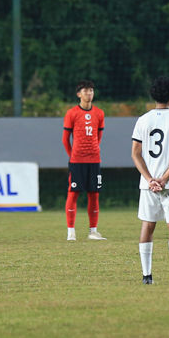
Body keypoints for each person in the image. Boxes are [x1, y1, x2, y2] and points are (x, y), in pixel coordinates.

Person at [131, 77, 169, 285]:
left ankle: (147, 276)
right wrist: (164, 179)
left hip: (148, 185)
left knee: (148, 225)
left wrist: (150, 179)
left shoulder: (142, 120)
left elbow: (135, 153)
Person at [63, 80, 106, 241]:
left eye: (91, 91)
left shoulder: (99, 113)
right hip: (77, 160)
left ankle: (93, 232)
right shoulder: (72, 113)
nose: (89, 94)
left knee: (94, 194)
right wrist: (73, 155)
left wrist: (92, 151)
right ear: (78, 94)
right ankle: (71, 232)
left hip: (94, 160)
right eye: (86, 91)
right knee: (73, 193)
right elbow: (65, 139)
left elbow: (98, 136)